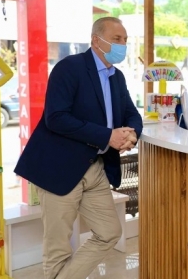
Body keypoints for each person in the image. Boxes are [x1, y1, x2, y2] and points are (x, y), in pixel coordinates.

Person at [15, 17, 143, 279]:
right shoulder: (70, 67)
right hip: (59, 166)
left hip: (94, 168)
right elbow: (56, 117)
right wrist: (108, 136)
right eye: (116, 39)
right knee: (58, 247)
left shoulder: (116, 77)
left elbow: (131, 113)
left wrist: (131, 134)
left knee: (109, 232)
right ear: (96, 40)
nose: (122, 45)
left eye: (125, 40)